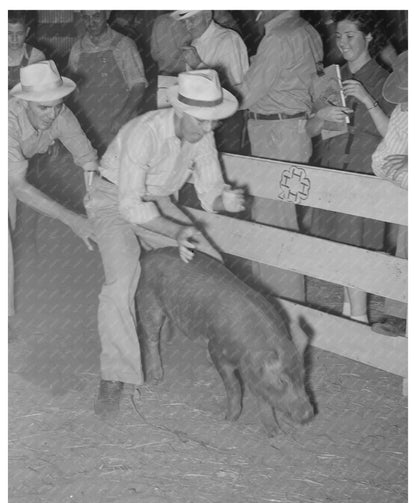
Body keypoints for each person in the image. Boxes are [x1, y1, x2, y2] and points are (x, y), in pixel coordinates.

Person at [85, 69, 246, 417]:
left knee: (211, 261)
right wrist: (174, 232)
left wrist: (225, 201)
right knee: (122, 279)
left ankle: (221, 349)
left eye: (213, 123)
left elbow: (209, 193)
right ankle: (114, 377)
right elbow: (129, 206)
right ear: (181, 112)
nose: (209, 130)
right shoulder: (144, 133)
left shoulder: (202, 134)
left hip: (156, 202)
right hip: (112, 199)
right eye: (203, 122)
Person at [306, 11, 395, 323]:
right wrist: (322, 118)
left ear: (368, 37)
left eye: (350, 36)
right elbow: (309, 129)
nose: (342, 43)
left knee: (359, 250)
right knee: (340, 247)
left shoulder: (385, 81)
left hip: (364, 172)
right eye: (339, 36)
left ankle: (357, 319)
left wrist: (367, 99)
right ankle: (349, 316)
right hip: (334, 170)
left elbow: (395, 135)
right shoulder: (331, 77)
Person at [236, 10, 324, 302]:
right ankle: (280, 298)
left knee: (272, 223)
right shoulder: (308, 30)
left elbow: (246, 95)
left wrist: (208, 95)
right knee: (283, 218)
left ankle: (279, 303)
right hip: (294, 131)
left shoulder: (277, 38)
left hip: (274, 134)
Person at [8, 60, 98, 317]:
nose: (52, 114)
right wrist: (73, 220)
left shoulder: (60, 114)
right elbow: (19, 187)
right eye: (43, 107)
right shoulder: (8, 119)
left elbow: (88, 160)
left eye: (57, 106)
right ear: (24, 102)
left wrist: (94, 204)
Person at [67, 10, 147, 157]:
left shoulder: (124, 46)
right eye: (86, 17)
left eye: (96, 16)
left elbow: (138, 87)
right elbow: (72, 90)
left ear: (107, 14)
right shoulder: (77, 49)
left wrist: (122, 118)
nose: (91, 23)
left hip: (118, 125)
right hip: (88, 125)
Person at [171, 9, 249, 153]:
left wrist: (198, 65)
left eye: (192, 20)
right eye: (184, 22)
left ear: (207, 15)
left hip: (226, 119)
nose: (187, 26)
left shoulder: (227, 39)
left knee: (227, 164)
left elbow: (235, 91)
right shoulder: (194, 43)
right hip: (199, 119)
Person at [371, 50, 408, 336]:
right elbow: (382, 161)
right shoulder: (401, 112)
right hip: (407, 200)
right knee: (404, 254)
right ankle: (398, 315)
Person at [8, 10, 45, 91]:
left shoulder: (36, 57)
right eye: (9, 33)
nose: (14, 39)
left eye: (19, 33)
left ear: (27, 32)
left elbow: (40, 92)